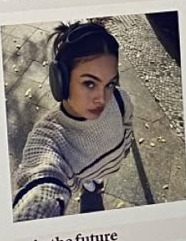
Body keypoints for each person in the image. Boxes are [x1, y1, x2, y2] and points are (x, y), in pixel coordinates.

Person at [13, 21, 133, 220]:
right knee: (88, 180)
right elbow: (42, 181)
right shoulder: (49, 139)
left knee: (96, 177)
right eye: (89, 83)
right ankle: (89, 183)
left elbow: (127, 123)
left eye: (109, 83)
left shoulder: (120, 98)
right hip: (83, 173)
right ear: (61, 81)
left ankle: (95, 181)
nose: (102, 98)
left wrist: (126, 146)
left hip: (110, 165)